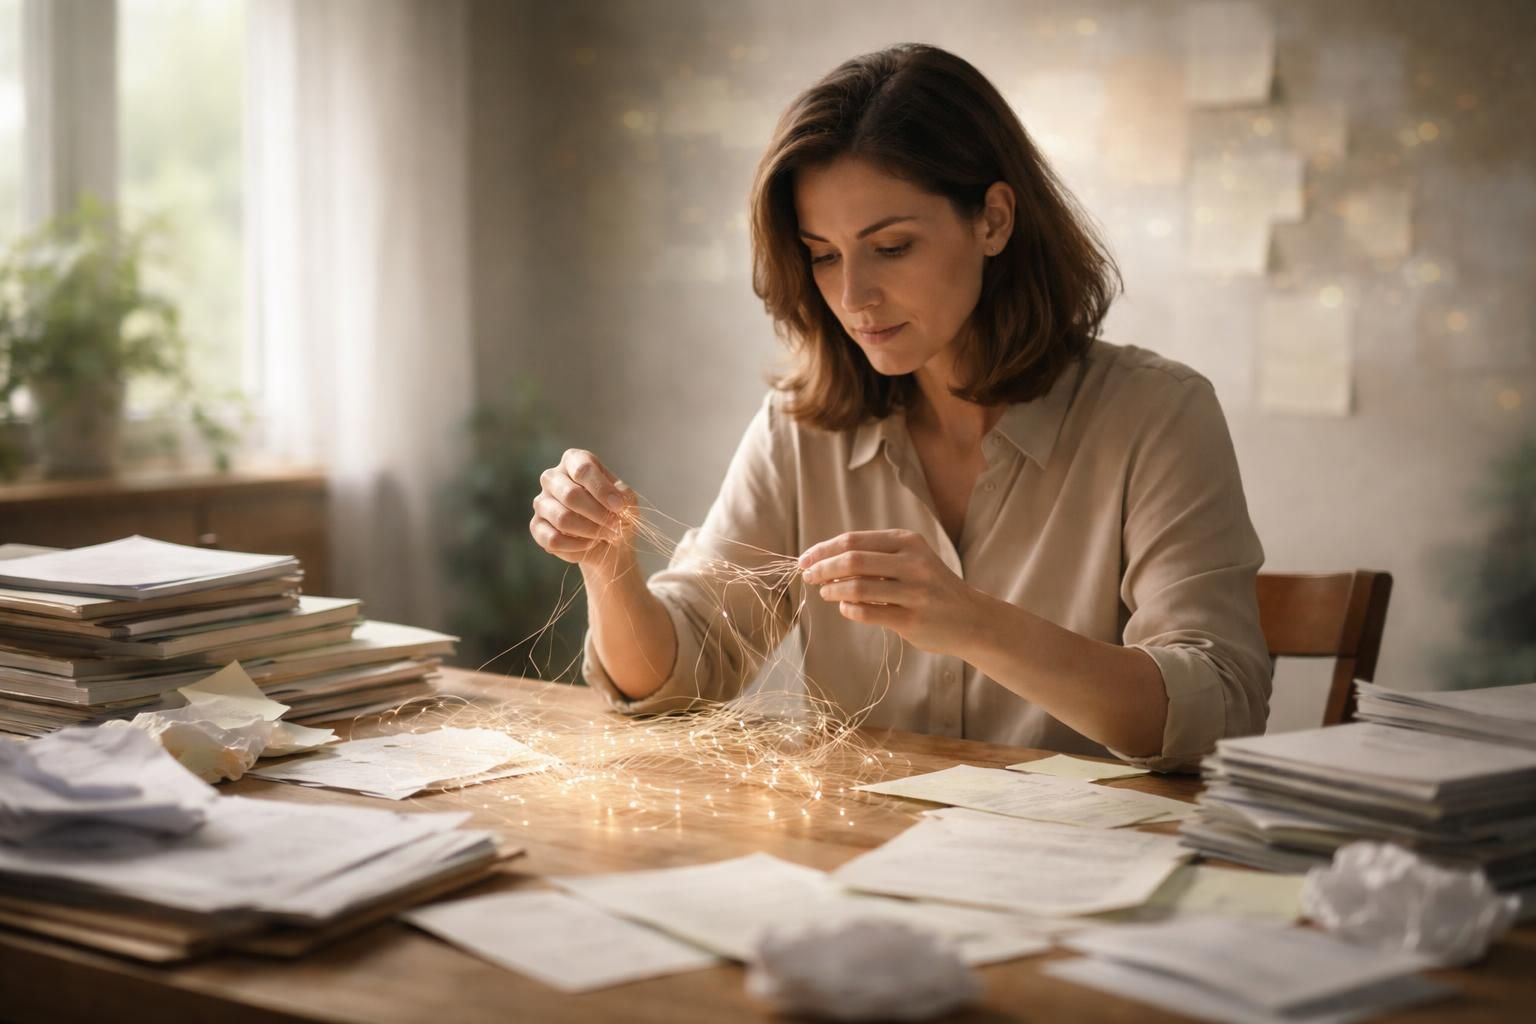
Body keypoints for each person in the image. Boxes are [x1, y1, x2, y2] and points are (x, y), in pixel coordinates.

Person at [529, 43, 1270, 772]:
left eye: (891, 246)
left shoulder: (1157, 415)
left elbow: (1221, 710)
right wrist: (607, 566)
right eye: (823, 254)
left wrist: (973, 622)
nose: (853, 297)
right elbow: (680, 683)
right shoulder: (802, 429)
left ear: (994, 220)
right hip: (859, 865)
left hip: (1088, 873)